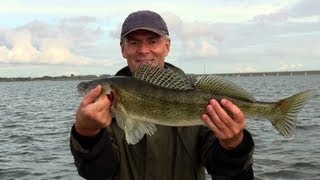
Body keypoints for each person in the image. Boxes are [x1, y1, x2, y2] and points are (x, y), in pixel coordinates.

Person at [70, 10, 254, 180]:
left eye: (153, 41)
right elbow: (97, 173)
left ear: (166, 46)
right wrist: (86, 133)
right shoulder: (100, 113)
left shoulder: (197, 94)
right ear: (123, 49)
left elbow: (227, 172)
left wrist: (235, 145)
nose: (143, 50)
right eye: (134, 42)